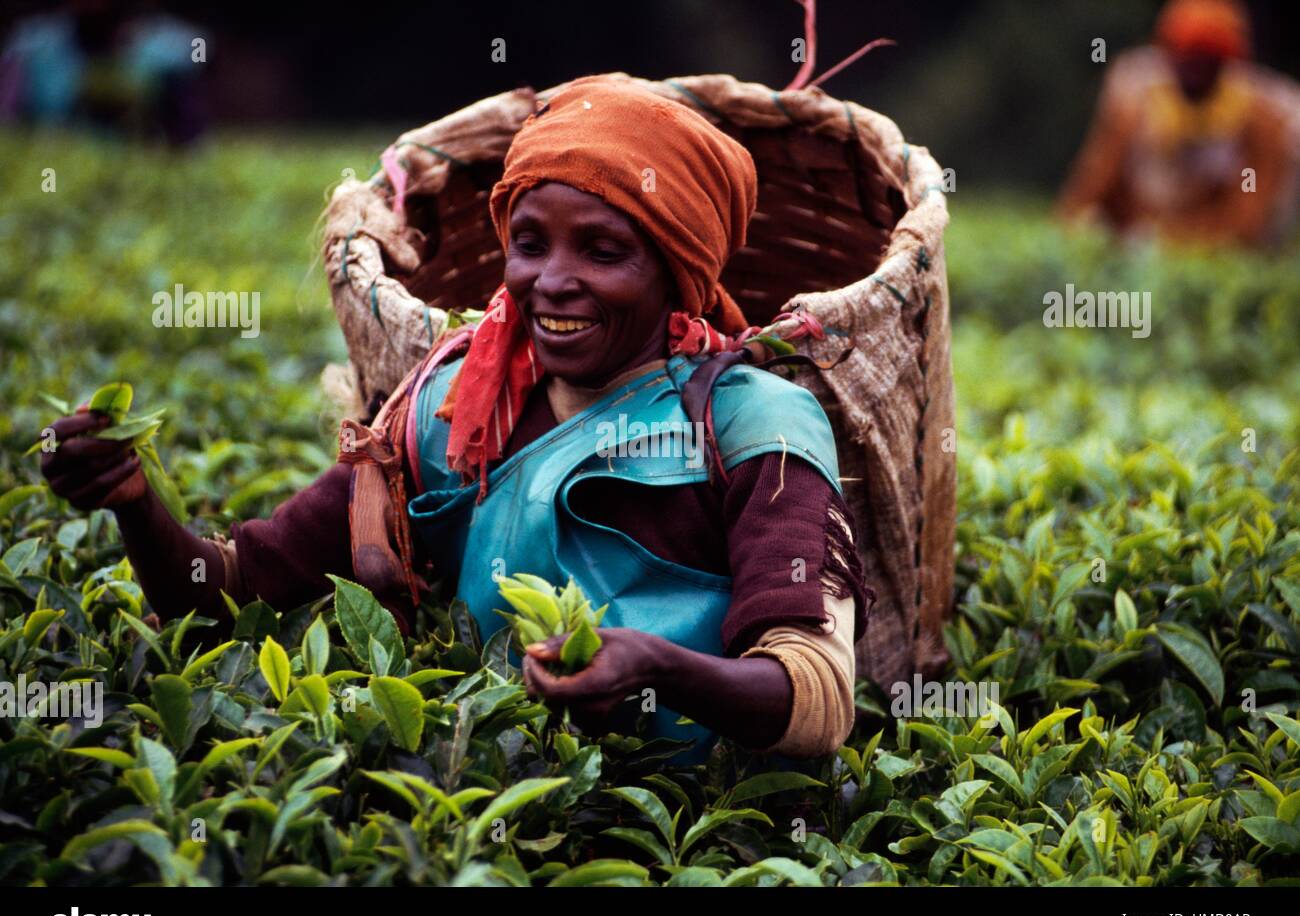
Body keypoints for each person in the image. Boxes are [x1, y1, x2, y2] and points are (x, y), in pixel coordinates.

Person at [39, 76, 873, 763]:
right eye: (531, 242)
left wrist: (659, 668)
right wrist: (135, 500)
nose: (552, 280)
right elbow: (228, 590)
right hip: (491, 808)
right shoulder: (451, 414)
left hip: (696, 832)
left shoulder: (754, 425)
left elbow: (816, 697)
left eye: (604, 251)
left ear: (677, 272)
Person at [1058, 0, 1300, 248]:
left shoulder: (1260, 122)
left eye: (1206, 62)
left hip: (1210, 247)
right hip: (1133, 241)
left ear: (1226, 65)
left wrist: (1174, 242)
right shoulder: (1133, 105)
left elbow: (1249, 220)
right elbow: (1089, 191)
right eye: (1187, 58)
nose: (1194, 73)